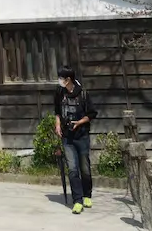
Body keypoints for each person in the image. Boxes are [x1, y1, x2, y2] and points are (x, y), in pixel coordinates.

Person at [55, 66, 98, 214]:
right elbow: (57, 111)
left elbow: (91, 114)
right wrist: (58, 124)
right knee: (72, 168)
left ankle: (87, 195)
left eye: (61, 78)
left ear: (69, 80)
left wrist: (80, 122)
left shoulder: (83, 94)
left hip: (82, 135)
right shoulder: (60, 93)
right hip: (67, 137)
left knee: (84, 168)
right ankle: (77, 200)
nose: (59, 81)